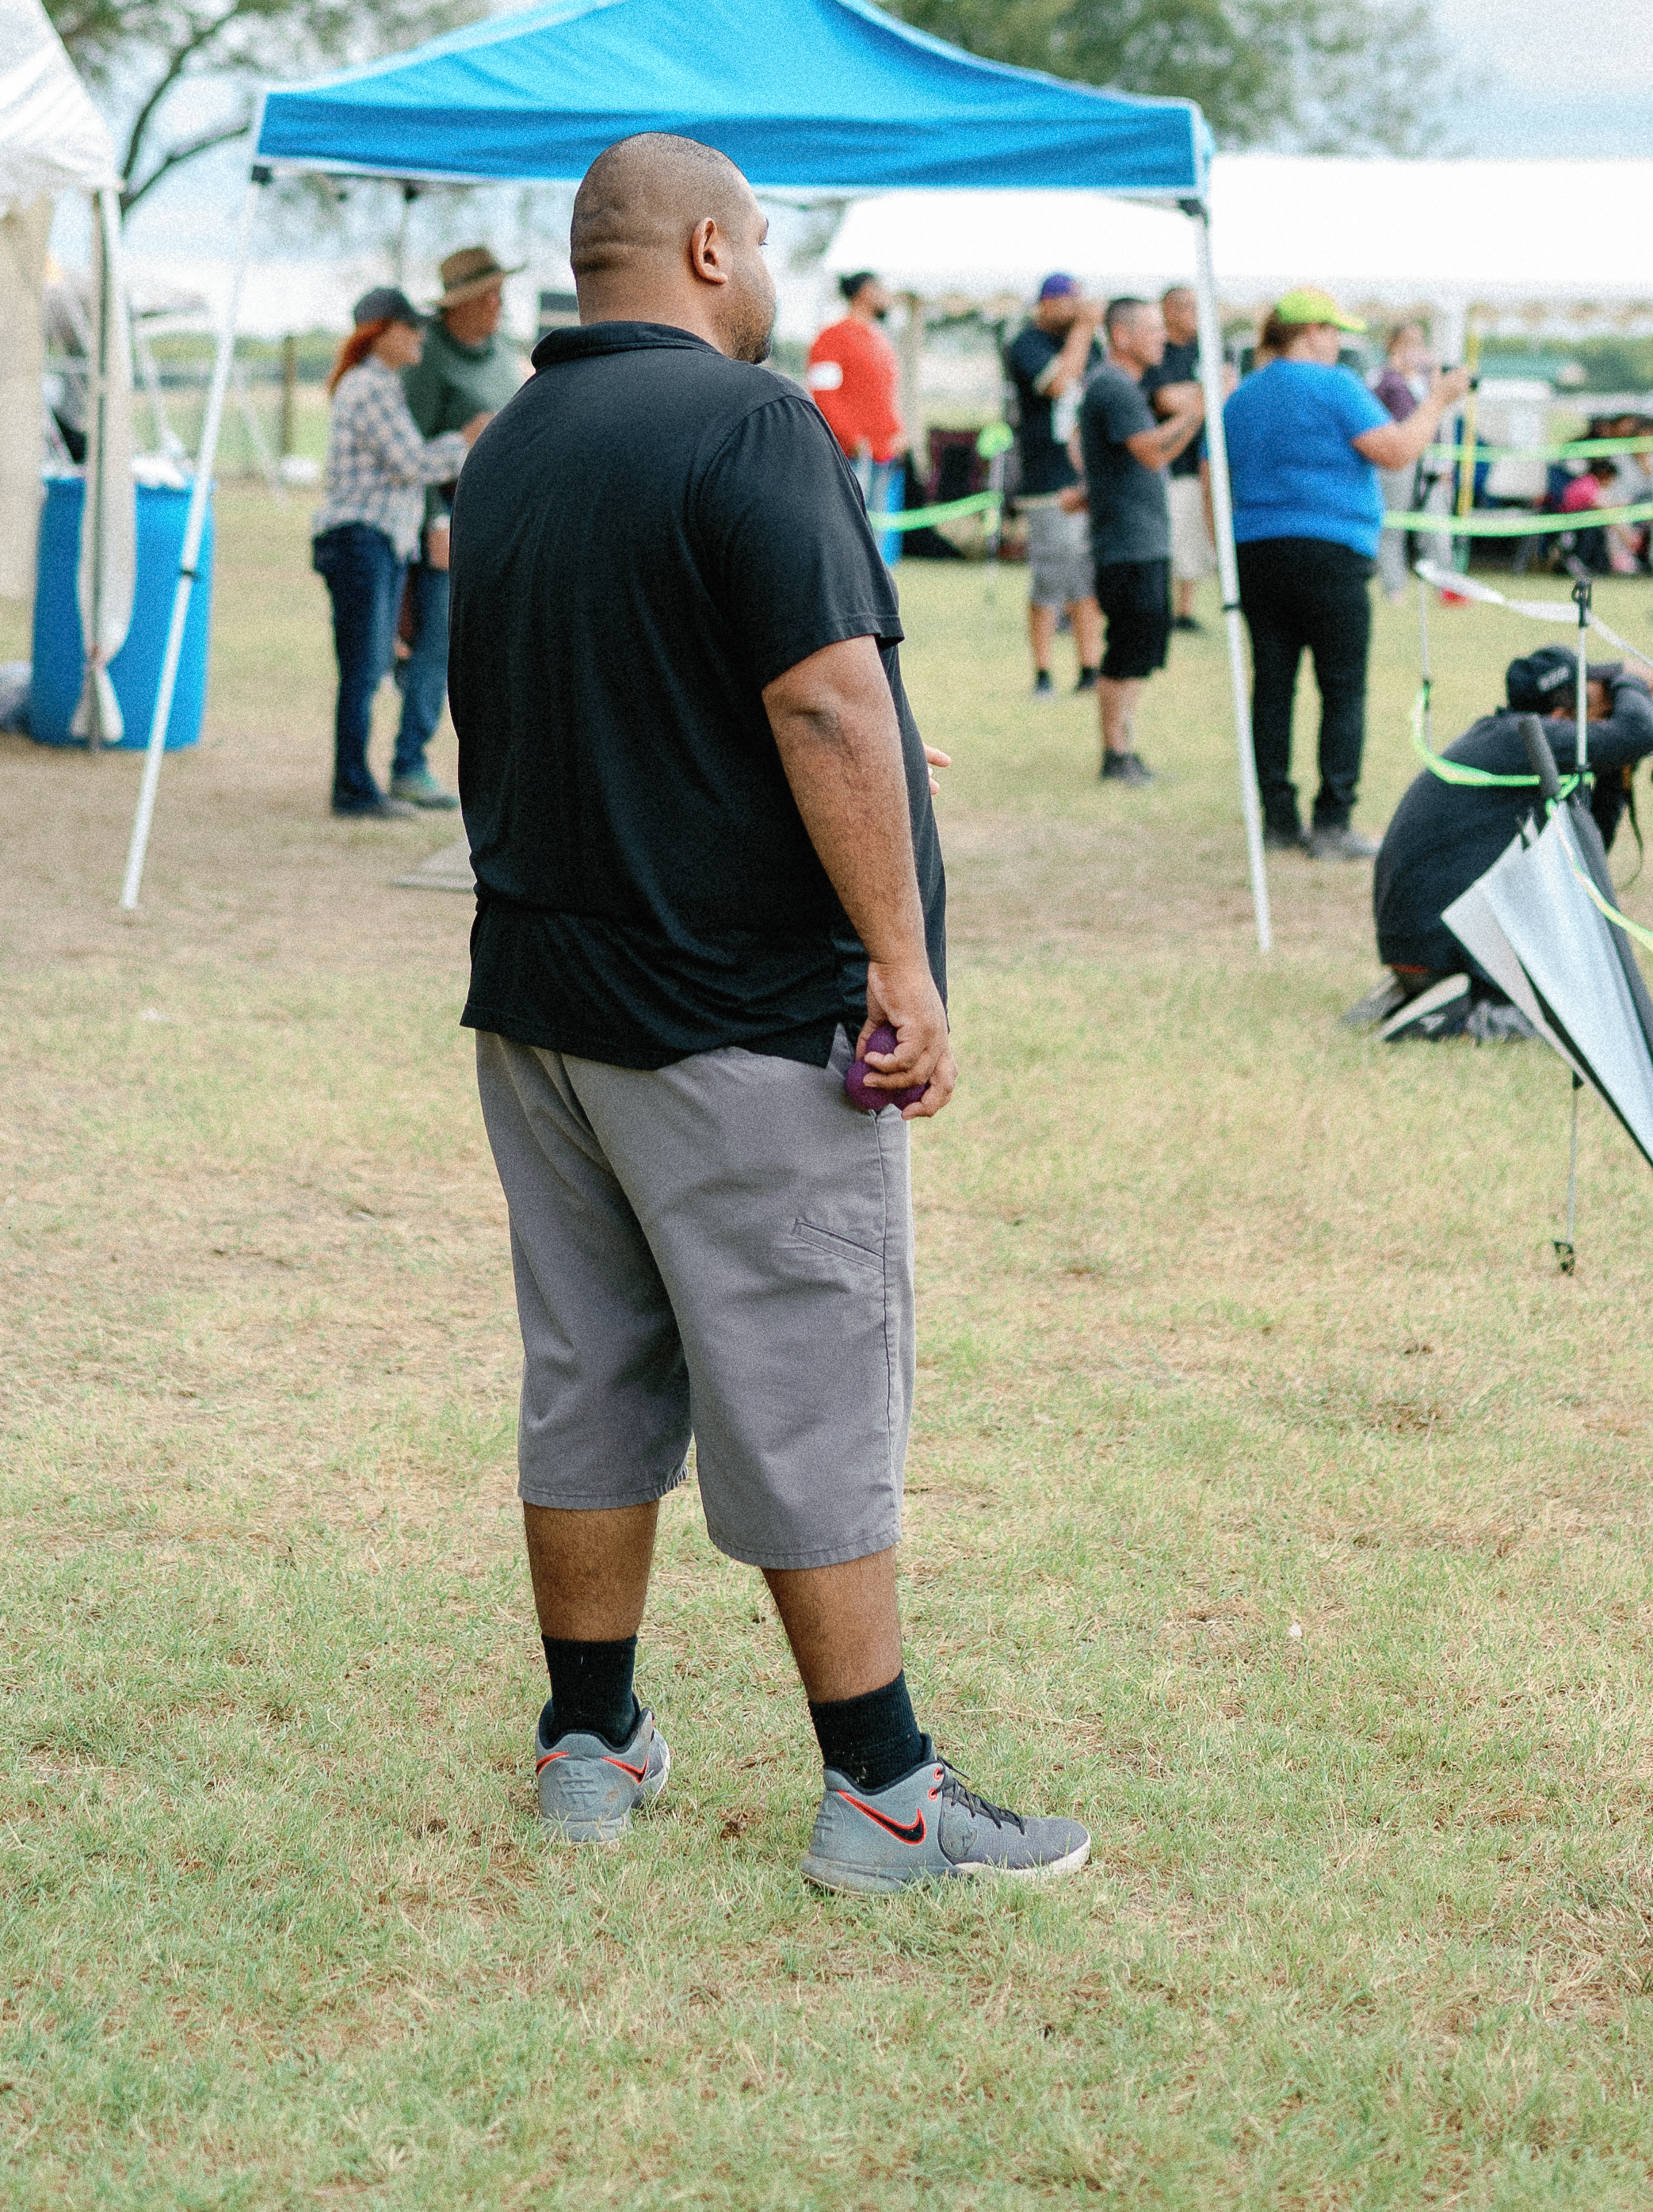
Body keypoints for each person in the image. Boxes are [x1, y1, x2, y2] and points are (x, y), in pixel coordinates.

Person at [448, 131, 1087, 1891]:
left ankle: (588, 1739)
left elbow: (587, 698)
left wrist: (844, 762)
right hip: (732, 1016)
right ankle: (881, 1791)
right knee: (806, 1377)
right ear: (713, 248)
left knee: (587, 1369)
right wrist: (903, 956)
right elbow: (819, 701)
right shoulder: (752, 423)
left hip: (548, 1005)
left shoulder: (507, 451)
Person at [1220, 289, 1471, 861]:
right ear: (1310, 331)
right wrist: (1438, 399)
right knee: (1341, 688)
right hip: (1331, 550)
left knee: (1272, 688)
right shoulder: (1335, 387)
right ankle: (1332, 822)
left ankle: (1278, 819)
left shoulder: (1243, 396)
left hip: (1256, 550)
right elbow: (1398, 450)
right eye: (1333, 332)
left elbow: (1217, 472)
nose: (1338, 343)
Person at [1368, 651, 1653, 1035]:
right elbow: (1641, 732)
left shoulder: (1515, 737)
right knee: (1578, 1023)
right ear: (1562, 717)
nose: (1608, 711)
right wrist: (1634, 683)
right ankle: (1460, 1011)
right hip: (1435, 940)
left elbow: (1587, 853)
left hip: (1420, 939)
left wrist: (1618, 765)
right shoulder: (1530, 737)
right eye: (1602, 700)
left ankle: (1431, 992)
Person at [311, 287, 486, 820]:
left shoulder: (372, 385)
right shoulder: (371, 389)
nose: (420, 337)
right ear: (384, 331)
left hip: (369, 541)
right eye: (411, 328)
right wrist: (466, 439)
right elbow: (412, 464)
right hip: (362, 540)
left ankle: (357, 783)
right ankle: (353, 789)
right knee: (363, 669)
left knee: (365, 667)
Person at [390, 246, 525, 811]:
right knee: (436, 649)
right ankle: (409, 764)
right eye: (487, 296)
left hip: (500, 524)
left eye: (500, 293)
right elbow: (411, 455)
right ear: (458, 307)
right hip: (445, 526)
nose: (498, 305)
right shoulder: (428, 362)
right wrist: (434, 524)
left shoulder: (503, 357)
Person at [1077, 297, 1202, 787]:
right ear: (1121, 335)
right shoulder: (1114, 387)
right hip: (1126, 544)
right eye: (1151, 330)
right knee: (1126, 648)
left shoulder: (1124, 389)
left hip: (1142, 541)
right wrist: (1196, 412)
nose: (1162, 338)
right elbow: (1151, 453)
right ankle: (1116, 752)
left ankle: (1126, 746)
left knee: (1141, 647)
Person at [1001, 275, 1102, 697]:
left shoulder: (1092, 345)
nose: (1075, 309)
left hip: (1086, 476)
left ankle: (1089, 667)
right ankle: (1043, 672)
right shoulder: (1026, 344)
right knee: (1051, 577)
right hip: (1047, 480)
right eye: (1066, 302)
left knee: (1085, 580)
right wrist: (1082, 329)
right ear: (1044, 305)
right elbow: (1060, 384)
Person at [1146, 283, 1215, 633]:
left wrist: (1196, 398)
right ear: (1170, 310)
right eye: (1188, 307)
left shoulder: (1207, 350)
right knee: (1165, 534)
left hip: (1197, 458)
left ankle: (1183, 611)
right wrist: (1202, 398)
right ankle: (1160, 607)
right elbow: (1163, 398)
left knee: (1192, 534)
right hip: (1162, 458)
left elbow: (1226, 390)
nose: (1196, 315)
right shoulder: (1159, 350)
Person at [806, 273, 906, 510]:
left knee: (877, 534)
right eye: (883, 290)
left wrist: (898, 431)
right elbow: (823, 395)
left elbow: (885, 397)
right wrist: (852, 438)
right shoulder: (831, 337)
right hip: (850, 457)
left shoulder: (880, 340)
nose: (888, 298)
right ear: (866, 292)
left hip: (884, 456)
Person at [1370, 323, 1431, 598]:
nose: (1413, 348)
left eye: (1418, 342)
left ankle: (1447, 588)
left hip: (1428, 459)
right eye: (1407, 342)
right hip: (1396, 460)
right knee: (1393, 526)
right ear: (1394, 344)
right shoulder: (1385, 378)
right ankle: (1394, 586)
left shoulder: (1426, 378)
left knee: (1433, 524)